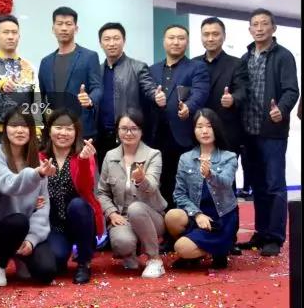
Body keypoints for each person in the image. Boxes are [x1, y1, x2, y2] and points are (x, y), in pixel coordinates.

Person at [237, 9, 299, 257]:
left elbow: (291, 90)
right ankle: (261, 233)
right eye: (255, 24)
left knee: (274, 185)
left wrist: (281, 110)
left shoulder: (283, 56)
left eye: (264, 24)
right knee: (258, 186)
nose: (260, 28)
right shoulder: (245, 57)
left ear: (274, 28)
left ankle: (274, 237)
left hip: (272, 132)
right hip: (248, 132)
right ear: (250, 29)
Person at [191, 17, 249, 255]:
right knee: (195, 184)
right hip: (197, 134)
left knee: (226, 187)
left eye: (215, 34)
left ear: (223, 36)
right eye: (206, 34)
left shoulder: (236, 64)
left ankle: (229, 237)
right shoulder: (194, 63)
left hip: (226, 135)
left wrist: (233, 98)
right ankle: (195, 231)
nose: (210, 38)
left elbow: (244, 90)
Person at [0, 109, 57, 286]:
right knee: (18, 221)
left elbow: (43, 208)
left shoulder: (38, 161)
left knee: (47, 272)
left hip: (26, 230)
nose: (19, 130)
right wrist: (36, 175)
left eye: (24, 126)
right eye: (14, 125)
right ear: (5, 129)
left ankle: (20, 256)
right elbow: (8, 184)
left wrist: (31, 240)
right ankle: (0, 264)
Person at [96, 109, 168, 278]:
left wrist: (142, 180)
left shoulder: (153, 155)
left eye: (134, 128)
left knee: (136, 209)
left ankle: (155, 259)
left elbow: (152, 186)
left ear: (141, 131)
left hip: (150, 216)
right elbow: (102, 192)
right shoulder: (110, 156)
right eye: (124, 128)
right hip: (123, 217)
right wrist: (111, 213)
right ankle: (130, 254)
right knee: (122, 243)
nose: (128, 133)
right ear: (118, 131)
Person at [165, 109, 239, 269]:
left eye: (209, 126)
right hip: (196, 215)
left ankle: (219, 250)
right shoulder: (186, 158)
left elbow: (226, 183)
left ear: (216, 128)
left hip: (221, 218)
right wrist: (197, 214)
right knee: (172, 216)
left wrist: (210, 175)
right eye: (199, 127)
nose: (204, 131)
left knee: (181, 248)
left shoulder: (229, 157)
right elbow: (179, 194)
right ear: (193, 130)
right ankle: (196, 251)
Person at [146, 25, 210, 210]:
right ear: (164, 41)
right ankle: (163, 220)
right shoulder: (152, 70)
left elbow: (200, 92)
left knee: (185, 184)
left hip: (183, 136)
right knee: (159, 183)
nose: (176, 42)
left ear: (187, 42)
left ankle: (184, 221)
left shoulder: (197, 67)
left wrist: (189, 107)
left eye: (181, 38)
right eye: (171, 37)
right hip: (156, 136)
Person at [40, 109, 104, 284]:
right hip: (54, 223)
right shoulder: (40, 156)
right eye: (58, 128)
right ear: (49, 130)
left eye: (69, 129)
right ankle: (63, 252)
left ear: (76, 133)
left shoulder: (83, 155)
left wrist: (83, 161)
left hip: (81, 219)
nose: (63, 133)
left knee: (78, 205)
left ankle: (84, 262)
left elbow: (86, 188)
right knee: (56, 261)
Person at [96, 22, 156, 167]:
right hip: (102, 136)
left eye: (116, 38)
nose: (112, 43)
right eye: (107, 39)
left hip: (129, 134)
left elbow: (150, 89)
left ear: (124, 40)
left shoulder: (138, 67)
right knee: (106, 177)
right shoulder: (96, 71)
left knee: (131, 176)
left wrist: (156, 95)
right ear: (100, 43)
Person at [38, 7, 102, 140]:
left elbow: (97, 88)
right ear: (53, 28)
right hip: (54, 131)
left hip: (82, 129)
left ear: (76, 28)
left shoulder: (89, 57)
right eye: (59, 24)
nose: (64, 28)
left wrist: (89, 99)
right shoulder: (45, 62)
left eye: (68, 24)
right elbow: (40, 97)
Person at [0, 15, 37, 144]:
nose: (10, 36)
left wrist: (37, 130)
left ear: (19, 36)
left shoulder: (29, 67)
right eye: (6, 32)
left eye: (14, 32)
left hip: (23, 132)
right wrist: (2, 83)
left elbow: (36, 99)